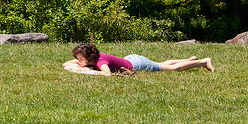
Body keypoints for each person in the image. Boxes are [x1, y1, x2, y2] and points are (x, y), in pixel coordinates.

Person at [64, 43, 215, 75]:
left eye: (79, 58)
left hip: (137, 64)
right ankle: (190, 59)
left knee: (170, 68)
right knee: (160, 63)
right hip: (131, 58)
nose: (78, 61)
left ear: (89, 58)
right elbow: (67, 63)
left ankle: (201, 62)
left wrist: (86, 72)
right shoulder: (96, 58)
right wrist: (78, 63)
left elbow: (107, 74)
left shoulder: (101, 62)